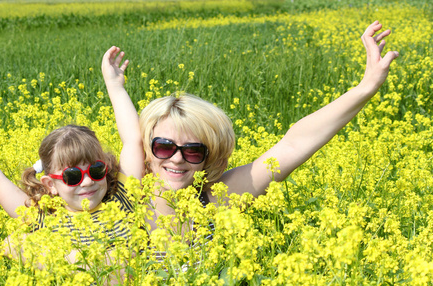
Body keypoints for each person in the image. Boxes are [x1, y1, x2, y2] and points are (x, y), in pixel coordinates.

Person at [133, 21, 399, 228]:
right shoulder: (120, 197)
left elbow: (294, 145)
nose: (177, 160)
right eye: (165, 147)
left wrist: (366, 87)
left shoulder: (215, 201)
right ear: (146, 148)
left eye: (193, 151)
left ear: (208, 158)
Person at [0, 46, 144, 273]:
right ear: (51, 185)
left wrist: (115, 86)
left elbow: (133, 140)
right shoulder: (44, 217)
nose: (88, 182)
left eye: (96, 170)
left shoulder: (121, 201)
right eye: (73, 176)